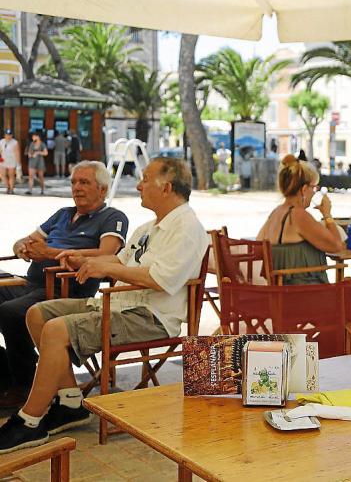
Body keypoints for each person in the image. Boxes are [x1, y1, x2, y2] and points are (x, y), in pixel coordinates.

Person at [0, 158, 207, 453]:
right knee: (37, 314)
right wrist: (84, 260)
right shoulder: (149, 227)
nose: (139, 185)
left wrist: (106, 268)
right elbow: (120, 259)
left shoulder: (186, 228)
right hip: (119, 305)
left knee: (56, 329)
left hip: (150, 317)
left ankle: (29, 421)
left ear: (167, 187)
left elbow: (160, 280)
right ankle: (71, 402)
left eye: (145, 179)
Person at [0, 161, 129, 409]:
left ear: (102, 189)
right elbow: (27, 240)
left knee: (10, 312)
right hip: (32, 283)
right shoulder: (63, 213)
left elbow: (107, 253)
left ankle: (25, 384)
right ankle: (5, 373)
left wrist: (49, 252)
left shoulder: (112, 217)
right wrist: (21, 247)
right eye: (73, 182)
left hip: (66, 289)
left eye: (84, 182)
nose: (76, 188)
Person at [257, 154, 351, 342]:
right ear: (304, 189)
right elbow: (336, 246)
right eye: (314, 188)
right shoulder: (298, 215)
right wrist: (327, 214)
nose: (315, 193)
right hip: (307, 297)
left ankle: (331, 347)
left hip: (282, 296)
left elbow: (260, 245)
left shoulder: (276, 213)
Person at [0, 129, 21, 194]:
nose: (8, 136)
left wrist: (18, 164)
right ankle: (8, 186)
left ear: (12, 135)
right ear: (4, 135)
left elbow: (17, 153)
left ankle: (11, 189)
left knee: (11, 176)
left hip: (12, 161)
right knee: (2, 175)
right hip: (3, 160)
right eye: (7, 134)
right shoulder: (1, 141)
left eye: (10, 135)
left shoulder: (15, 142)